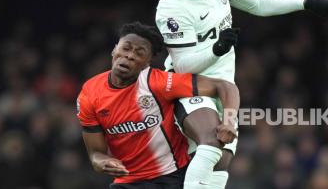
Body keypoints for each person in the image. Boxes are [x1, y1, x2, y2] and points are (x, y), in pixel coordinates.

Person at [154, 0, 328, 188]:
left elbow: (258, 4)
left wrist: (305, 2)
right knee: (212, 142)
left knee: (221, 162)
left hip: (224, 87)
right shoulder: (171, 9)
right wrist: (217, 49)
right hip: (189, 85)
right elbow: (182, 67)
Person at [76, 22, 240, 189]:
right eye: (126, 48)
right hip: (127, 183)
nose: (130, 56)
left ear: (147, 63)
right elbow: (95, 153)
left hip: (171, 178)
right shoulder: (90, 93)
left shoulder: (159, 83)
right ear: (114, 50)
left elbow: (226, 87)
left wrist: (228, 122)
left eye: (139, 53)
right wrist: (102, 161)